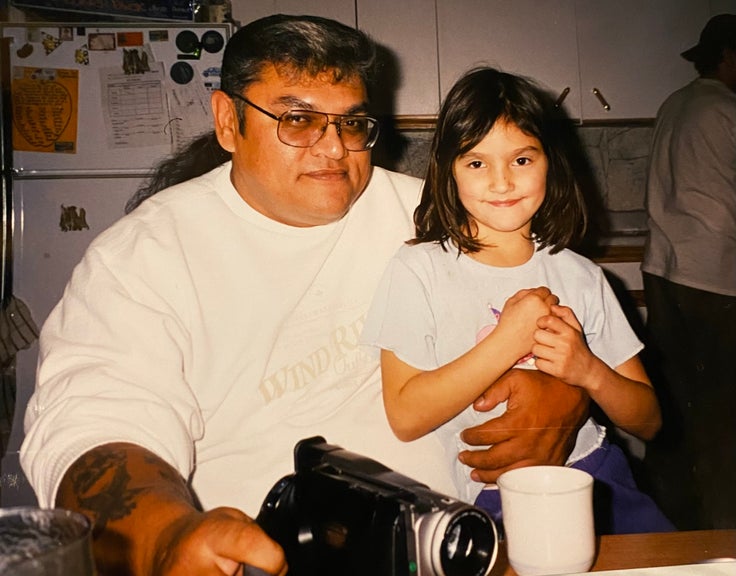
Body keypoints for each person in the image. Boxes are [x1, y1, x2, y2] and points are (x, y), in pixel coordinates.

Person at [20, 15, 589, 576]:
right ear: (227, 121)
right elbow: (93, 422)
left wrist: (569, 394)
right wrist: (167, 537)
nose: (335, 149)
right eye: (297, 120)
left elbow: (555, 310)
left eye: (352, 123)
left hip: (466, 548)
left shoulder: (437, 217)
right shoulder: (145, 257)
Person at [362, 67, 675, 535]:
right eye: (476, 163)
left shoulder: (583, 276)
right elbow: (405, 416)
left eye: (522, 160)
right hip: (493, 496)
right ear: (448, 169)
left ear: (551, 161)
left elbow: (648, 420)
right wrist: (508, 340)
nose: (502, 183)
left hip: (599, 476)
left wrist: (587, 369)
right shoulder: (418, 270)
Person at [641, 14, 736, 530]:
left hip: (666, 271)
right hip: (718, 279)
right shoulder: (727, 109)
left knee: (674, 410)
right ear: (728, 57)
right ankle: (724, 531)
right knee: (722, 417)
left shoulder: (674, 103)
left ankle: (673, 528)